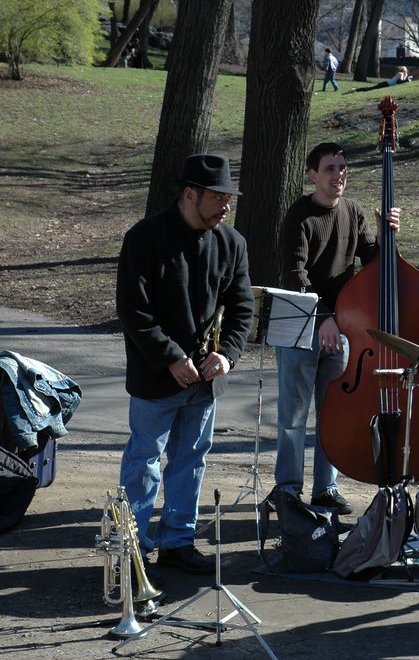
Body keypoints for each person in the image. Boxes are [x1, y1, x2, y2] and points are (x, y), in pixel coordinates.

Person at [116, 154, 253, 574]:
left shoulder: (232, 243)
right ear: (189, 194)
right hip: (155, 377)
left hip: (205, 381)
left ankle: (178, 541)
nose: (225, 206)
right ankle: (132, 551)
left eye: (228, 197)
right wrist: (171, 357)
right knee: (144, 462)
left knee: (192, 461)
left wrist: (227, 354)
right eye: (217, 197)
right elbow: (132, 310)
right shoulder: (144, 238)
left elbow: (243, 309)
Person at [274, 142, 400, 515]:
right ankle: (287, 490)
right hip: (301, 321)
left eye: (343, 168)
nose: (338, 175)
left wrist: (386, 235)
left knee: (333, 414)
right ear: (313, 174)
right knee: (293, 417)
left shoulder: (354, 211)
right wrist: (324, 316)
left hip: (339, 327)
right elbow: (294, 273)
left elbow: (374, 263)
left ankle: (325, 488)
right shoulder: (299, 215)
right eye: (330, 169)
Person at [347, 66, 412, 93]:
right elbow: (399, 82)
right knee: (371, 88)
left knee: (372, 88)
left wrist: (406, 78)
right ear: (404, 71)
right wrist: (407, 79)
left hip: (387, 84)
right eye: (406, 72)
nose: (406, 73)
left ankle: (355, 89)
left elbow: (401, 82)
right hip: (386, 84)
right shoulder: (400, 73)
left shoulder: (402, 74)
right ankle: (355, 89)